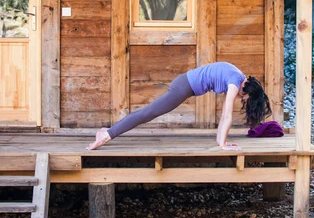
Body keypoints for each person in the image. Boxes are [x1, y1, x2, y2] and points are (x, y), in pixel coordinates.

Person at [85, 61, 272, 151]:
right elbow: (226, 115)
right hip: (183, 86)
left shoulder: (237, 76)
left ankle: (107, 130)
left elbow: (224, 116)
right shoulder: (234, 82)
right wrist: (223, 145)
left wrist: (220, 142)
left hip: (185, 84)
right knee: (148, 113)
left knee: (148, 113)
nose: (242, 99)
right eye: (245, 99)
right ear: (246, 91)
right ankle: (107, 134)